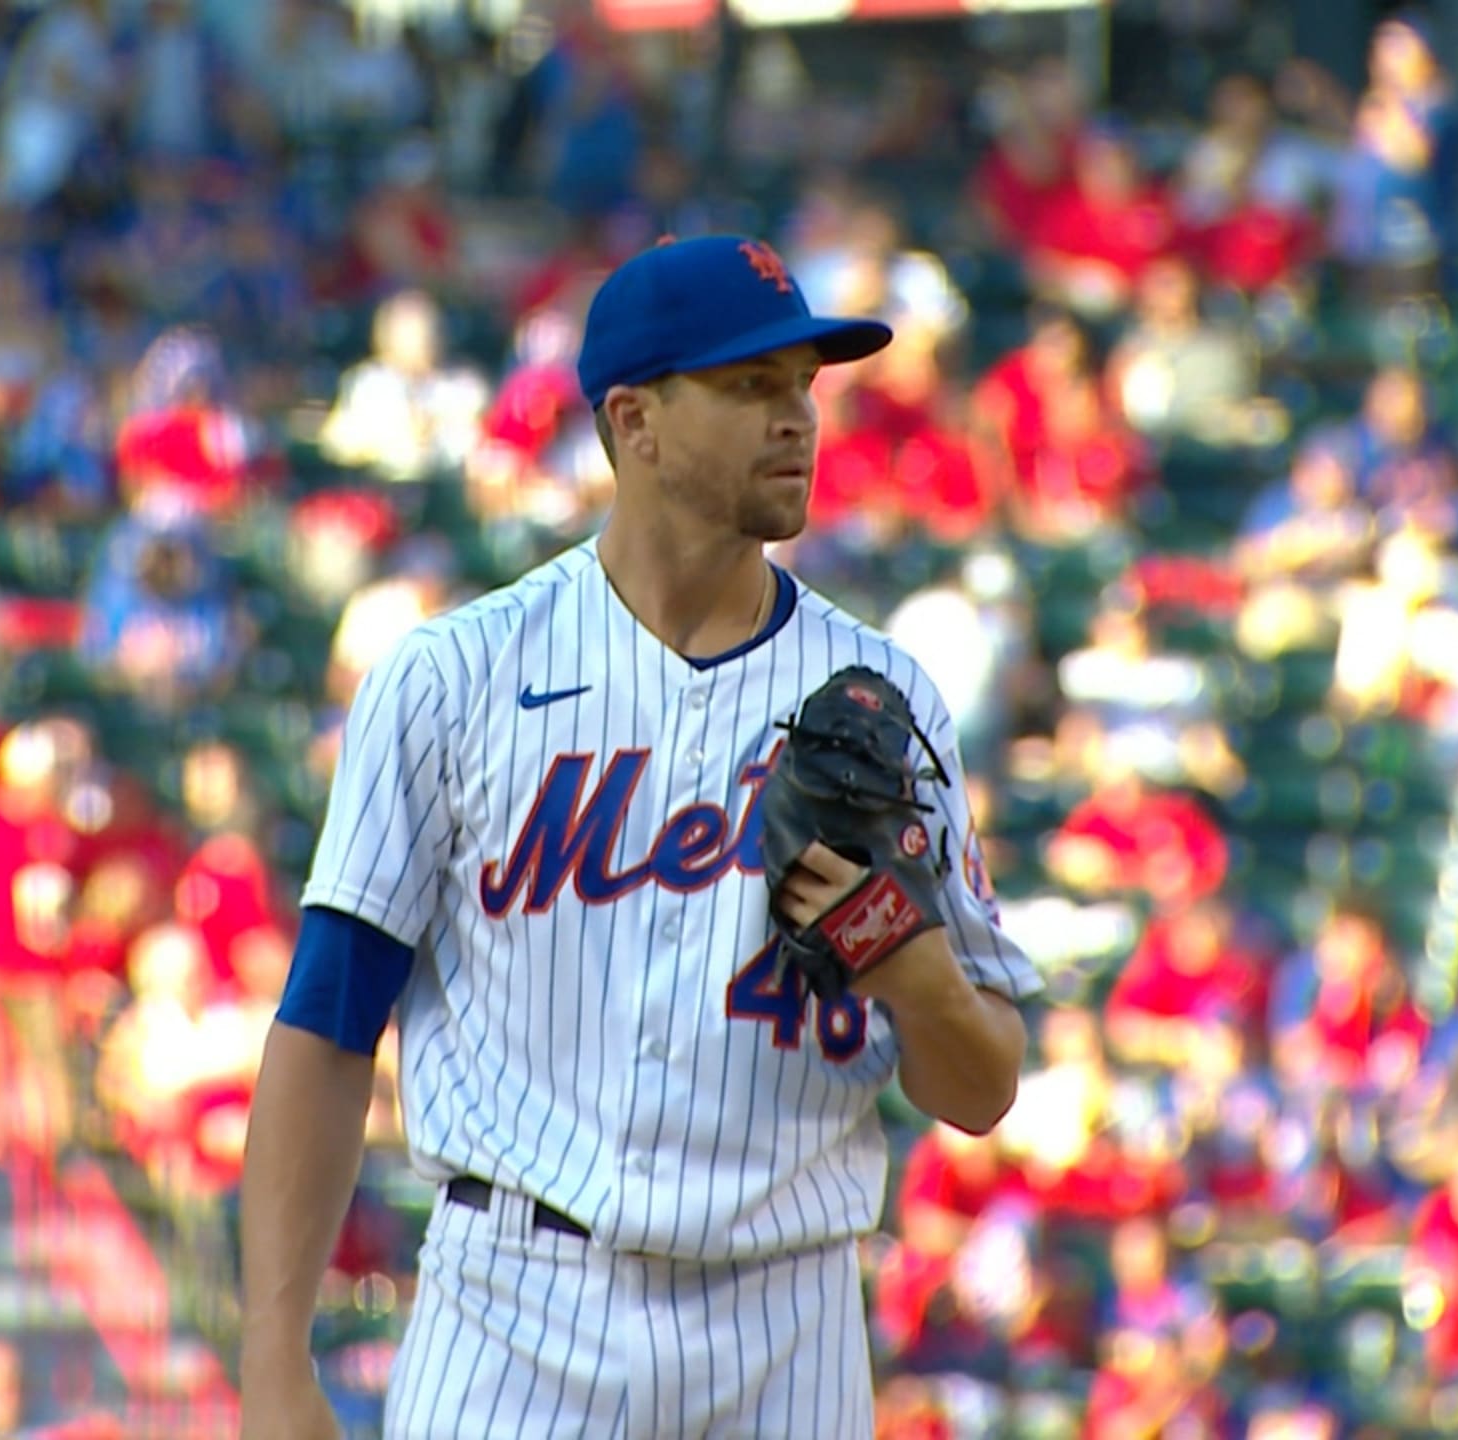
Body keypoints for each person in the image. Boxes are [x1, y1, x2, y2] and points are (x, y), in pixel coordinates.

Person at [239, 235, 1042, 1438]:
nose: (796, 418)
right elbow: (327, 1023)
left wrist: (917, 974)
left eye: (802, 386)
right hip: (514, 1308)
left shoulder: (887, 699)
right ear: (634, 419)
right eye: (750, 386)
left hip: (786, 1324)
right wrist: (272, 1350)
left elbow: (979, 1091)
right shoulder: (452, 678)